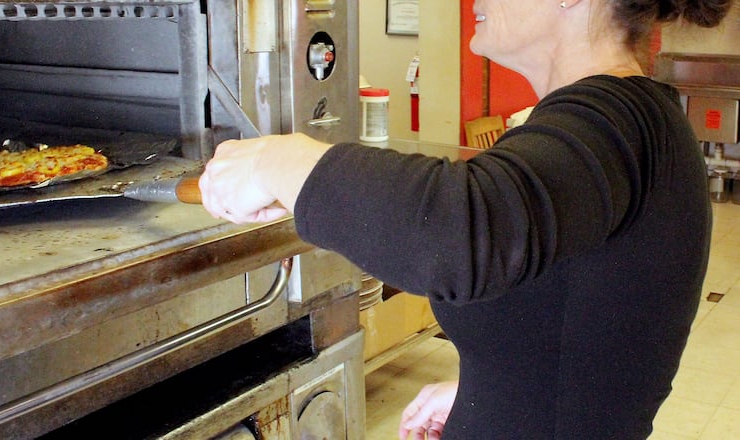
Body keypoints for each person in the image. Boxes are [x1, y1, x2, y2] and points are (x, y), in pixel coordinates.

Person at [199, 0, 732, 438]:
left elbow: (463, 232)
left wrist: (281, 162)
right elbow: (603, 334)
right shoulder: (636, 122)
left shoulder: (615, 120)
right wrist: (496, 391)